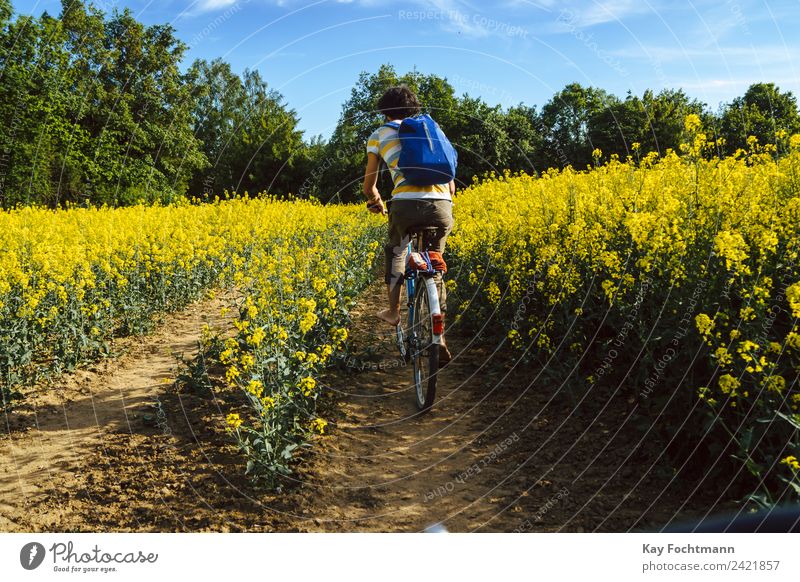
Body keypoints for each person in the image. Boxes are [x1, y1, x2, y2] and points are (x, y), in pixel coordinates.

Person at [362, 84, 455, 362]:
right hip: (441, 206)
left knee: (396, 252)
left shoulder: (379, 134)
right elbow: (450, 184)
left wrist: (375, 201)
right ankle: (439, 335)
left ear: (384, 111)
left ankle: (393, 311)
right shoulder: (432, 132)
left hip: (404, 204)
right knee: (435, 265)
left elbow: (370, 185)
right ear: (414, 108)